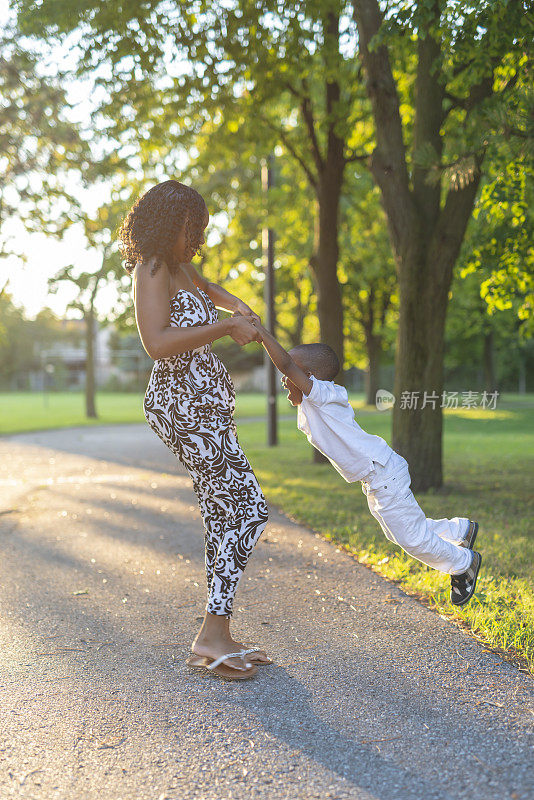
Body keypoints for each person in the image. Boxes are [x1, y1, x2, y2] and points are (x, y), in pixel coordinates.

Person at [117, 179, 271, 680]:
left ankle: (216, 635)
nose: (198, 239)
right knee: (246, 505)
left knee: (226, 507)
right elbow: (157, 342)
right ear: (169, 224)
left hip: (206, 406)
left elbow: (208, 291)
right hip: (180, 406)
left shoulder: (182, 266)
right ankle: (212, 633)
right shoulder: (152, 269)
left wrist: (237, 307)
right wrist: (226, 328)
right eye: (193, 229)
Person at [249, 319, 482, 606]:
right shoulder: (313, 403)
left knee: (412, 539)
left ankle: (463, 563)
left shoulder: (325, 394)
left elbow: (286, 365)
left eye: (291, 374)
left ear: (308, 375)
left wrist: (261, 335)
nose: (284, 378)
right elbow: (288, 368)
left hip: (381, 473)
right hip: (377, 476)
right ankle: (460, 530)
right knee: (403, 533)